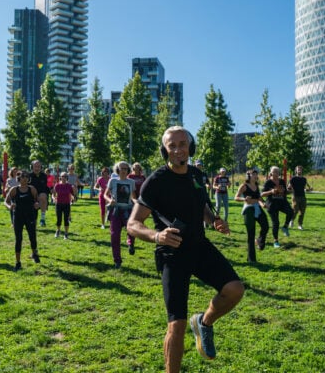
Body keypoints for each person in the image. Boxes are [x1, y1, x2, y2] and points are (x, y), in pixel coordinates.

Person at [127, 126, 244, 372]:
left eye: (183, 144)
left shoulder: (197, 176)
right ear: (164, 151)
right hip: (172, 255)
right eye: (173, 146)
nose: (179, 150)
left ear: (191, 147)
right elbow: (133, 224)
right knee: (176, 325)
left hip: (199, 247)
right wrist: (157, 235)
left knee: (234, 290)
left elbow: (200, 206)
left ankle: (204, 321)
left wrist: (213, 220)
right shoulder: (155, 182)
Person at [104, 161, 138, 268]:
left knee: (131, 230)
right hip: (116, 211)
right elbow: (105, 195)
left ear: (128, 170)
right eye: (121, 168)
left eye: (125, 168)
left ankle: (130, 243)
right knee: (114, 236)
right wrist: (110, 201)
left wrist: (136, 202)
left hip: (128, 210)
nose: (123, 171)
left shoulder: (131, 182)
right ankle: (117, 261)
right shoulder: (112, 181)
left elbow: (133, 196)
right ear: (117, 170)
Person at [5, 170, 40, 271]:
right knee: (18, 239)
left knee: (32, 236)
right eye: (22, 176)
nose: (25, 178)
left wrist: (37, 204)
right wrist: (9, 207)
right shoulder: (14, 189)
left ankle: (34, 253)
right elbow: (6, 202)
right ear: (19, 179)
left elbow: (36, 200)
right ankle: (18, 262)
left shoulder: (32, 189)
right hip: (18, 216)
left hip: (30, 216)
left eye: (26, 176)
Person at [234, 168, 268, 263]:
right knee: (251, 233)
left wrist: (263, 204)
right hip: (248, 209)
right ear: (248, 176)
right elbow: (236, 197)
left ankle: (259, 241)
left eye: (256, 174)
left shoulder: (257, 185)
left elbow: (259, 198)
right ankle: (251, 259)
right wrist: (244, 199)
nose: (256, 176)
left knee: (265, 225)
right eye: (253, 174)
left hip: (257, 208)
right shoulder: (244, 186)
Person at [262, 166, 294, 248]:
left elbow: (285, 192)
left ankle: (285, 227)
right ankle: (275, 241)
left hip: (282, 202)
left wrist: (290, 191)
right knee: (276, 223)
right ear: (271, 173)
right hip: (272, 204)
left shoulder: (282, 181)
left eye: (277, 171)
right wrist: (271, 191)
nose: (276, 173)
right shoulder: (268, 182)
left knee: (291, 212)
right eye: (274, 171)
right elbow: (262, 194)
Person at [287, 165, 312, 230]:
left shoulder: (304, 179)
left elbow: (306, 188)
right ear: (296, 170)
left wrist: (309, 189)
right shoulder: (293, 178)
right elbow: (289, 187)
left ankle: (300, 225)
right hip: (295, 196)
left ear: (302, 170)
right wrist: (289, 188)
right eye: (298, 169)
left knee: (302, 211)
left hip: (303, 196)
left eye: (300, 169)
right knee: (295, 210)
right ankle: (291, 220)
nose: (299, 170)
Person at [52, 172, 75, 239]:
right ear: (60, 177)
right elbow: (53, 194)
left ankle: (66, 233)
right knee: (59, 219)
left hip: (66, 204)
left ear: (67, 177)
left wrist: (73, 198)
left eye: (65, 176)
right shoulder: (57, 185)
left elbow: (72, 194)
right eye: (62, 176)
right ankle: (58, 231)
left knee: (66, 219)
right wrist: (53, 198)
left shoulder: (69, 186)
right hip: (58, 204)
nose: (64, 178)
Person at [29, 161, 50, 227]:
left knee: (43, 196)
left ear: (41, 168)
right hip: (30, 198)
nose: (37, 168)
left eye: (39, 166)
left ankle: (42, 219)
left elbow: (45, 188)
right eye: (35, 166)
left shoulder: (44, 176)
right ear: (32, 167)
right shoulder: (28, 176)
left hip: (41, 197)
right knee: (32, 223)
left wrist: (51, 191)